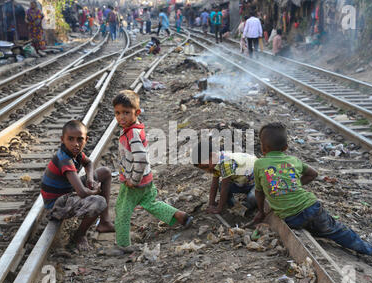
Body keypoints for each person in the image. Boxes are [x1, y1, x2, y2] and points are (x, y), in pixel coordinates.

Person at [246, 123, 372, 256]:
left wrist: (261, 212)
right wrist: (294, 185)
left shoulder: (259, 164)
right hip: (311, 207)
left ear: (262, 146)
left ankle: (364, 248)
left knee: (321, 230)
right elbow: (313, 174)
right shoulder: (294, 160)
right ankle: (369, 250)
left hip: (292, 219)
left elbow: (259, 192)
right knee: (336, 231)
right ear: (286, 147)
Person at [113, 90, 193, 252]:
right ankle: (179, 215)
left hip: (134, 182)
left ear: (137, 112)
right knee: (151, 203)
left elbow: (141, 159)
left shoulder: (132, 134)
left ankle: (122, 245)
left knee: (122, 210)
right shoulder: (135, 128)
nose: (122, 117)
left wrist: (133, 180)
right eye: (118, 113)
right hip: (146, 178)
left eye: (126, 113)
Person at [41, 120, 114, 250]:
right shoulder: (65, 159)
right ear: (62, 139)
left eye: (80, 140)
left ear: (86, 139)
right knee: (99, 202)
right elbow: (82, 193)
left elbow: (89, 163)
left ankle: (104, 222)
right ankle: (79, 236)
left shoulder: (75, 153)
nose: (75, 144)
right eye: (70, 139)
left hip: (67, 190)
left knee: (106, 172)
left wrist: (90, 179)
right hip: (56, 204)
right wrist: (95, 191)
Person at [192, 137, 257, 216]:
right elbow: (214, 186)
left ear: (212, 155)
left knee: (252, 198)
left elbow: (225, 187)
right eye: (203, 169)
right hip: (244, 183)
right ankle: (234, 205)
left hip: (257, 183)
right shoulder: (216, 164)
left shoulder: (226, 162)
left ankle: (247, 208)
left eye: (206, 166)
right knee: (221, 186)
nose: (207, 170)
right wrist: (211, 204)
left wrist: (219, 208)